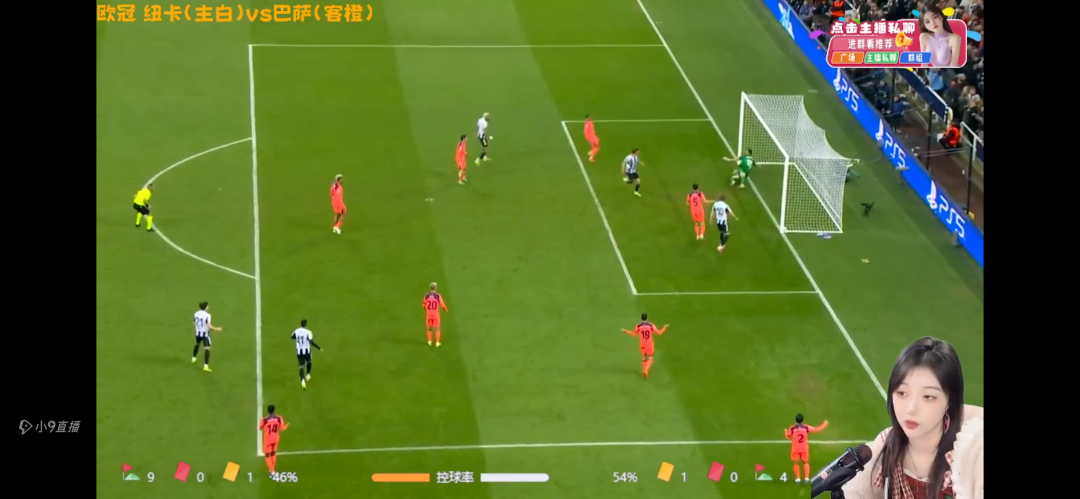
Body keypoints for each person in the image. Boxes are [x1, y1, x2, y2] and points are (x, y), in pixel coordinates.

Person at [841, 337, 984, 499]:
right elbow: (854, 493)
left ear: (949, 400)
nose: (911, 409)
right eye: (902, 393)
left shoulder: (974, 455)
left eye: (928, 396)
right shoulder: (885, 447)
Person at [622, 313, 668, 379]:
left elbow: (634, 334)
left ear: (641, 318)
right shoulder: (651, 325)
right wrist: (664, 327)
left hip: (642, 344)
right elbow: (659, 333)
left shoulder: (638, 326)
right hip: (649, 344)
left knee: (644, 357)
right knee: (650, 358)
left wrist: (626, 331)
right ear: (647, 318)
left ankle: (644, 371)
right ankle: (646, 370)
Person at [785, 413, 828, 484]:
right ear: (802, 420)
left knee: (796, 463)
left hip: (795, 448)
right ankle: (806, 478)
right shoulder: (806, 427)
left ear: (796, 420)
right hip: (804, 448)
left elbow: (787, 436)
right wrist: (825, 424)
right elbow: (816, 429)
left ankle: (798, 479)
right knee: (805, 462)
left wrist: (785, 431)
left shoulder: (792, 428)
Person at [291, 320, 322, 390]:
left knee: (301, 366)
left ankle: (302, 380)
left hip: (299, 352)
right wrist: (319, 348)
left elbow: (292, 337)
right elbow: (311, 342)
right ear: (306, 325)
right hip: (306, 351)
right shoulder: (308, 332)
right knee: (309, 361)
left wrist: (298, 339)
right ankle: (308, 374)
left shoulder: (297, 330)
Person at [259, 405, 289, 478]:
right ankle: (272, 469)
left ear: (268, 411)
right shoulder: (279, 418)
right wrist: (287, 425)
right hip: (275, 438)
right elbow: (282, 428)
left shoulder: (264, 420)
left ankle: (272, 471)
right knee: (273, 453)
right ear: (274, 410)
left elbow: (260, 428)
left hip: (268, 439)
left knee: (267, 455)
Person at [192, 301, 222, 372]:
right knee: (207, 349)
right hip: (205, 334)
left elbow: (194, 322)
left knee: (197, 344)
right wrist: (217, 329)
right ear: (205, 307)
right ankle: (206, 366)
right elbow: (209, 326)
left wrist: (198, 329)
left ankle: (193, 358)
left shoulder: (196, 313)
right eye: (208, 306)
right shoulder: (207, 315)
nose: (208, 307)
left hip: (198, 333)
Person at [423, 283, 449, 347]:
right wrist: (445, 309)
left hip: (429, 315)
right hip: (435, 315)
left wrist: (427, 309)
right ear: (435, 288)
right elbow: (442, 304)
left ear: (430, 288)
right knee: (437, 329)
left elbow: (424, 304)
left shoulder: (426, 296)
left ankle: (429, 341)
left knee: (429, 328)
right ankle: (437, 342)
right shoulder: (438, 296)